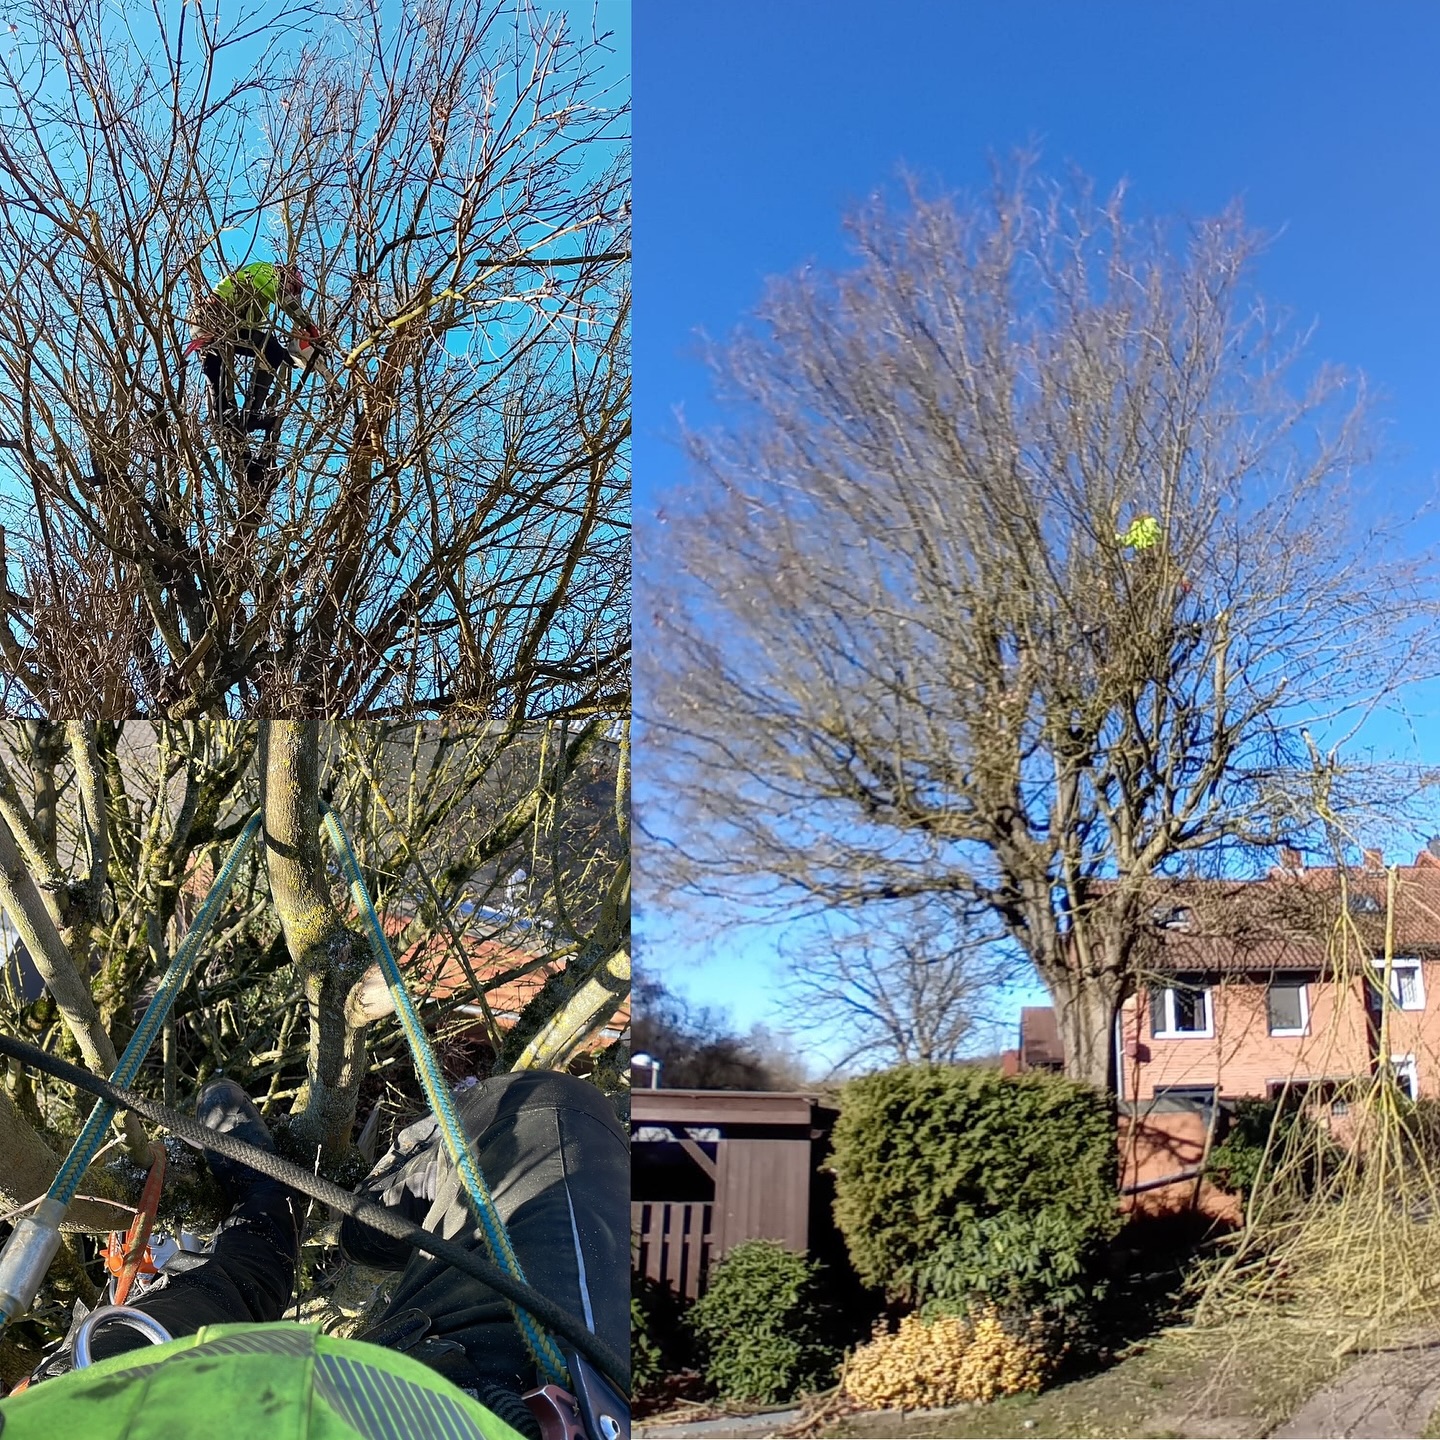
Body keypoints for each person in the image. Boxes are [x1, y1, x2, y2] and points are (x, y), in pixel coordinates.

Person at [1, 1069, 628, 1440]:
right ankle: (335, 1222)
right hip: (478, 1406)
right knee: (549, 1107)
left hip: (92, 1419)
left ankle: (282, 1211)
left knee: (241, 1280)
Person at [185, 261, 321, 440]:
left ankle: (226, 421)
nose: (291, 293)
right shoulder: (267, 271)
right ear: (286, 274)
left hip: (215, 328)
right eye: (292, 288)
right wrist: (309, 326)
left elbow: (253, 339)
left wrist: (286, 357)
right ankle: (252, 414)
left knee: (218, 368)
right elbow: (281, 297)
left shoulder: (260, 305)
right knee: (270, 350)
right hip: (213, 316)